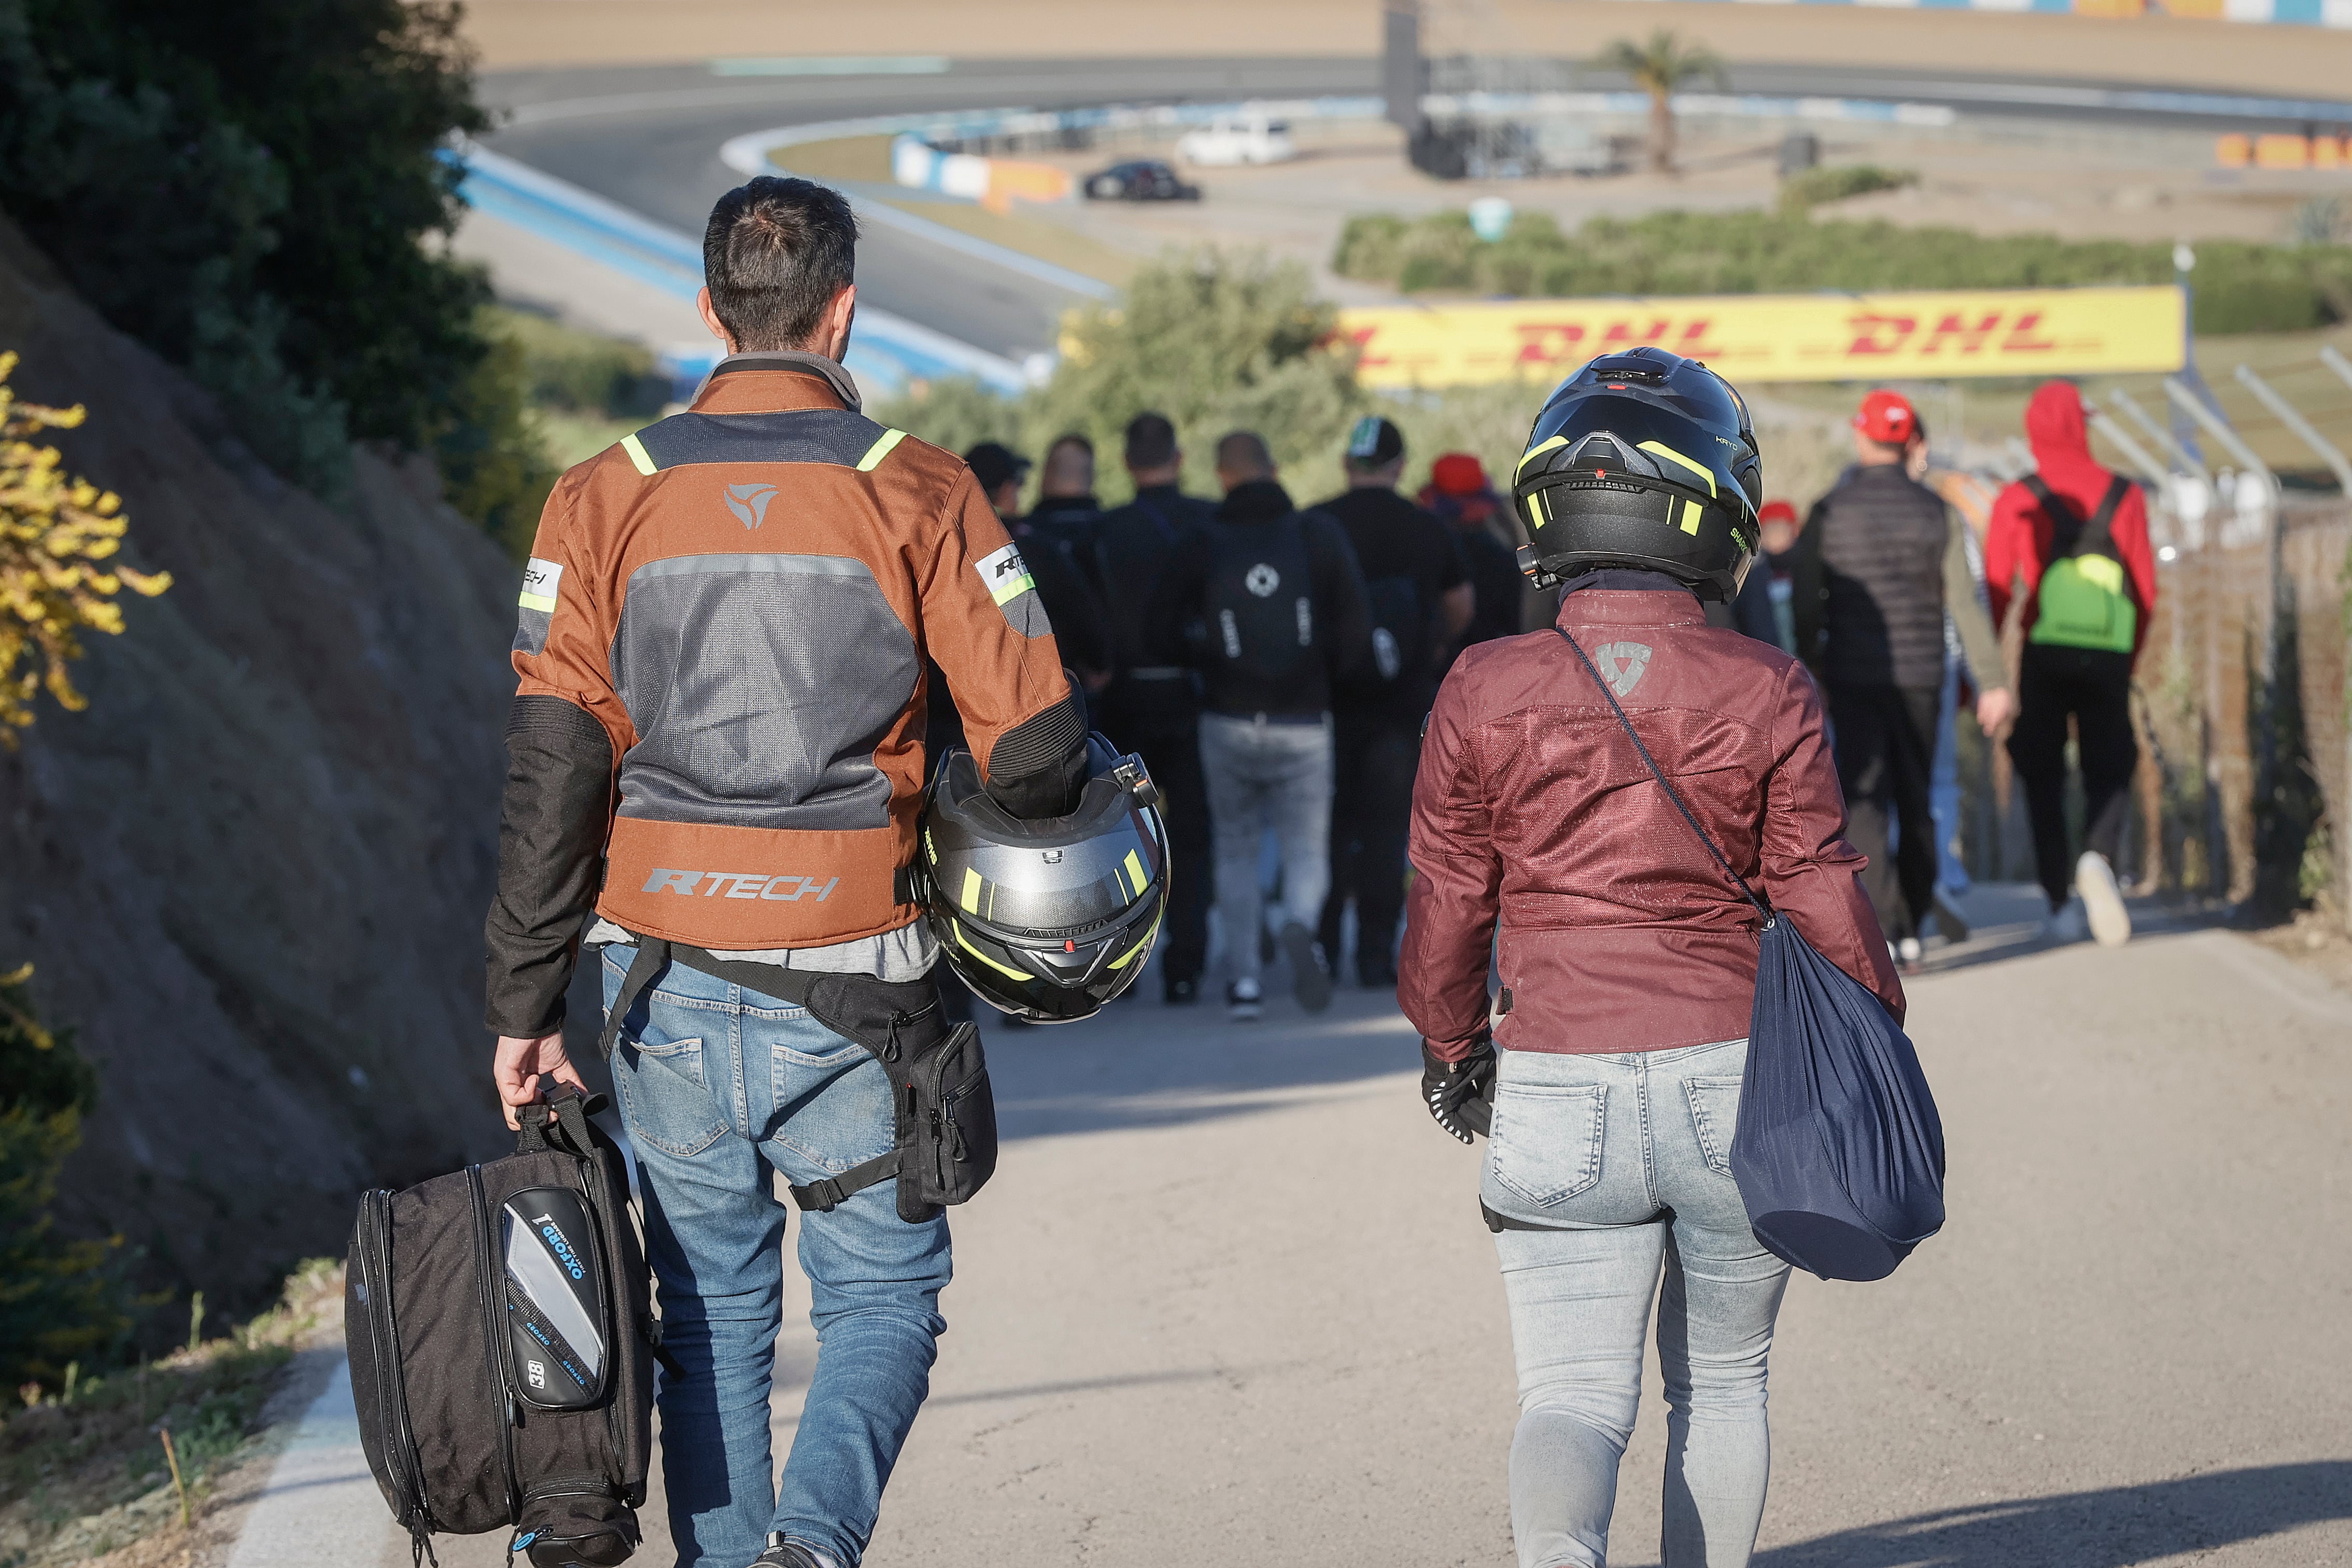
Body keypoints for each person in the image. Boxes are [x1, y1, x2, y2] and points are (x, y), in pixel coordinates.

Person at [484, 176, 1090, 1568]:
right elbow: (1044, 757)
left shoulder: (597, 497)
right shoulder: (923, 489)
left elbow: (552, 770)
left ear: (708, 309)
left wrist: (523, 1004)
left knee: (703, 1318)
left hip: (658, 976)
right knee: (881, 1300)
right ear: (845, 307)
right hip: (861, 976)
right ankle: (812, 1546)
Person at [1399, 345, 1904, 1568]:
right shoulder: (1771, 686)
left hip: (1558, 1072)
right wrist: (1876, 1029)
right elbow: (1825, 899)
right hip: (1736, 1082)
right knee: (1723, 1387)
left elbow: (1447, 904)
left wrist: (1454, 1049)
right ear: (1714, 512)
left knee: (1570, 1397)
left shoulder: (1482, 685)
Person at [1790, 389, 2012, 965]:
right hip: (1921, 678)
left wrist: (1812, 658)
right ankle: (1914, 926)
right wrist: (1991, 680)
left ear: (1862, 437)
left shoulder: (1828, 510)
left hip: (1853, 675)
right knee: (1916, 798)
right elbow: (1964, 605)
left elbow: (1806, 601)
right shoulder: (1938, 511)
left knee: (1863, 801)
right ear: (1909, 440)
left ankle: (1880, 926)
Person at [1162, 429, 1372, 1021]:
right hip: (1304, 718)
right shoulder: (1316, 535)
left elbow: (1163, 623)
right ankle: (1300, 925)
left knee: (1234, 849)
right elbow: (1356, 627)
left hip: (1226, 720)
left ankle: (1245, 984)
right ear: (1274, 469)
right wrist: (1325, 678)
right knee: (1306, 848)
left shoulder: (1201, 539)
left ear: (1221, 475)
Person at [1984, 380, 2158, 948]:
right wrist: (2127, 657)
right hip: (2107, 648)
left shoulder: (2019, 497)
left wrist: (1988, 669)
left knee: (2042, 772)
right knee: (2110, 761)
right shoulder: (2125, 495)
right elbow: (2146, 590)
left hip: (2046, 647)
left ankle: (2058, 903)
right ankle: (2098, 856)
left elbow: (1996, 588)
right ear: (2080, 426)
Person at [1313, 416, 1472, 987]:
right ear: (1400, 466)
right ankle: (1375, 954)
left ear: (1346, 465)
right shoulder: (1423, 527)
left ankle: (1323, 945)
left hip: (1326, 702)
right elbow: (1461, 604)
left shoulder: (1318, 523)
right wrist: (1428, 648)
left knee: (1328, 827)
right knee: (1384, 829)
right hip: (1400, 703)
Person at [1092, 412, 1219, 1003]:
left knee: (1118, 836)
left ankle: (1119, 963)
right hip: (1193, 696)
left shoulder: (1105, 529)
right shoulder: (1207, 521)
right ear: (1180, 456)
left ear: (1125, 462)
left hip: (1122, 700)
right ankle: (1186, 964)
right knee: (1193, 833)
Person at [1421, 450, 1524, 665]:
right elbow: (1514, 625)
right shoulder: (1502, 555)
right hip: (1491, 664)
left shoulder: (1426, 551)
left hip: (1437, 666)